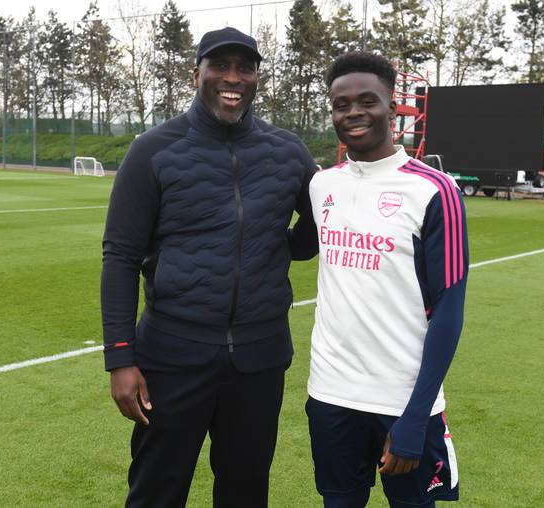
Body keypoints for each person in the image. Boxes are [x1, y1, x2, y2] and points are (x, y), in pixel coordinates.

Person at [101, 27, 318, 508]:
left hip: (259, 360)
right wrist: (119, 358)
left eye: (245, 68)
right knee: (157, 491)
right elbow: (119, 256)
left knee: (245, 492)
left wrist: (281, 245)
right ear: (196, 73)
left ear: (257, 77)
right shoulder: (153, 150)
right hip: (170, 357)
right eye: (220, 66)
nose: (232, 78)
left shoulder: (288, 151)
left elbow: (321, 224)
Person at [306, 51, 469, 508]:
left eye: (367, 100)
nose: (354, 112)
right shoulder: (323, 185)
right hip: (330, 393)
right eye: (341, 104)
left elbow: (449, 311)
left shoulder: (435, 190)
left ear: (392, 106)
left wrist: (417, 415)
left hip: (404, 401)